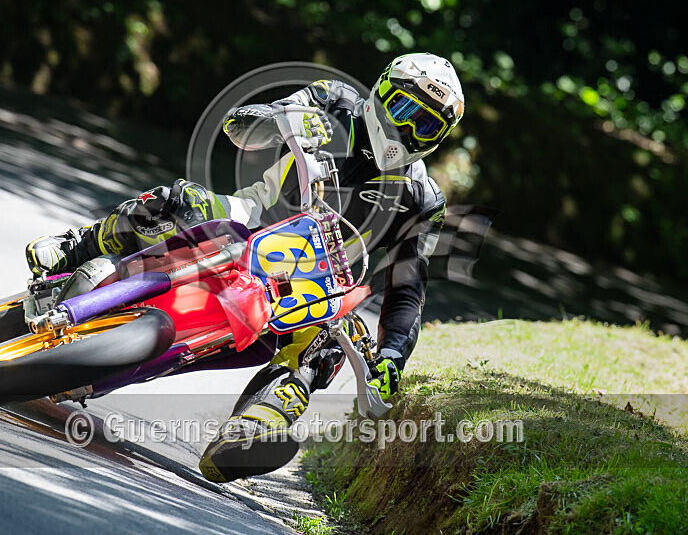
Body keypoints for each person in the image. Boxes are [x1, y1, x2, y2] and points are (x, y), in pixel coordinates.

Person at [25, 53, 464, 482]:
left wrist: (392, 358)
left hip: (308, 286)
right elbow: (240, 126)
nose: (408, 129)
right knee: (179, 200)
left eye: (425, 125)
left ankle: (254, 430)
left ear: (439, 137)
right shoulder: (337, 101)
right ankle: (77, 246)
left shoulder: (425, 201)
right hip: (250, 220)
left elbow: (408, 285)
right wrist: (279, 121)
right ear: (382, 92)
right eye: (404, 111)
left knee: (326, 347)